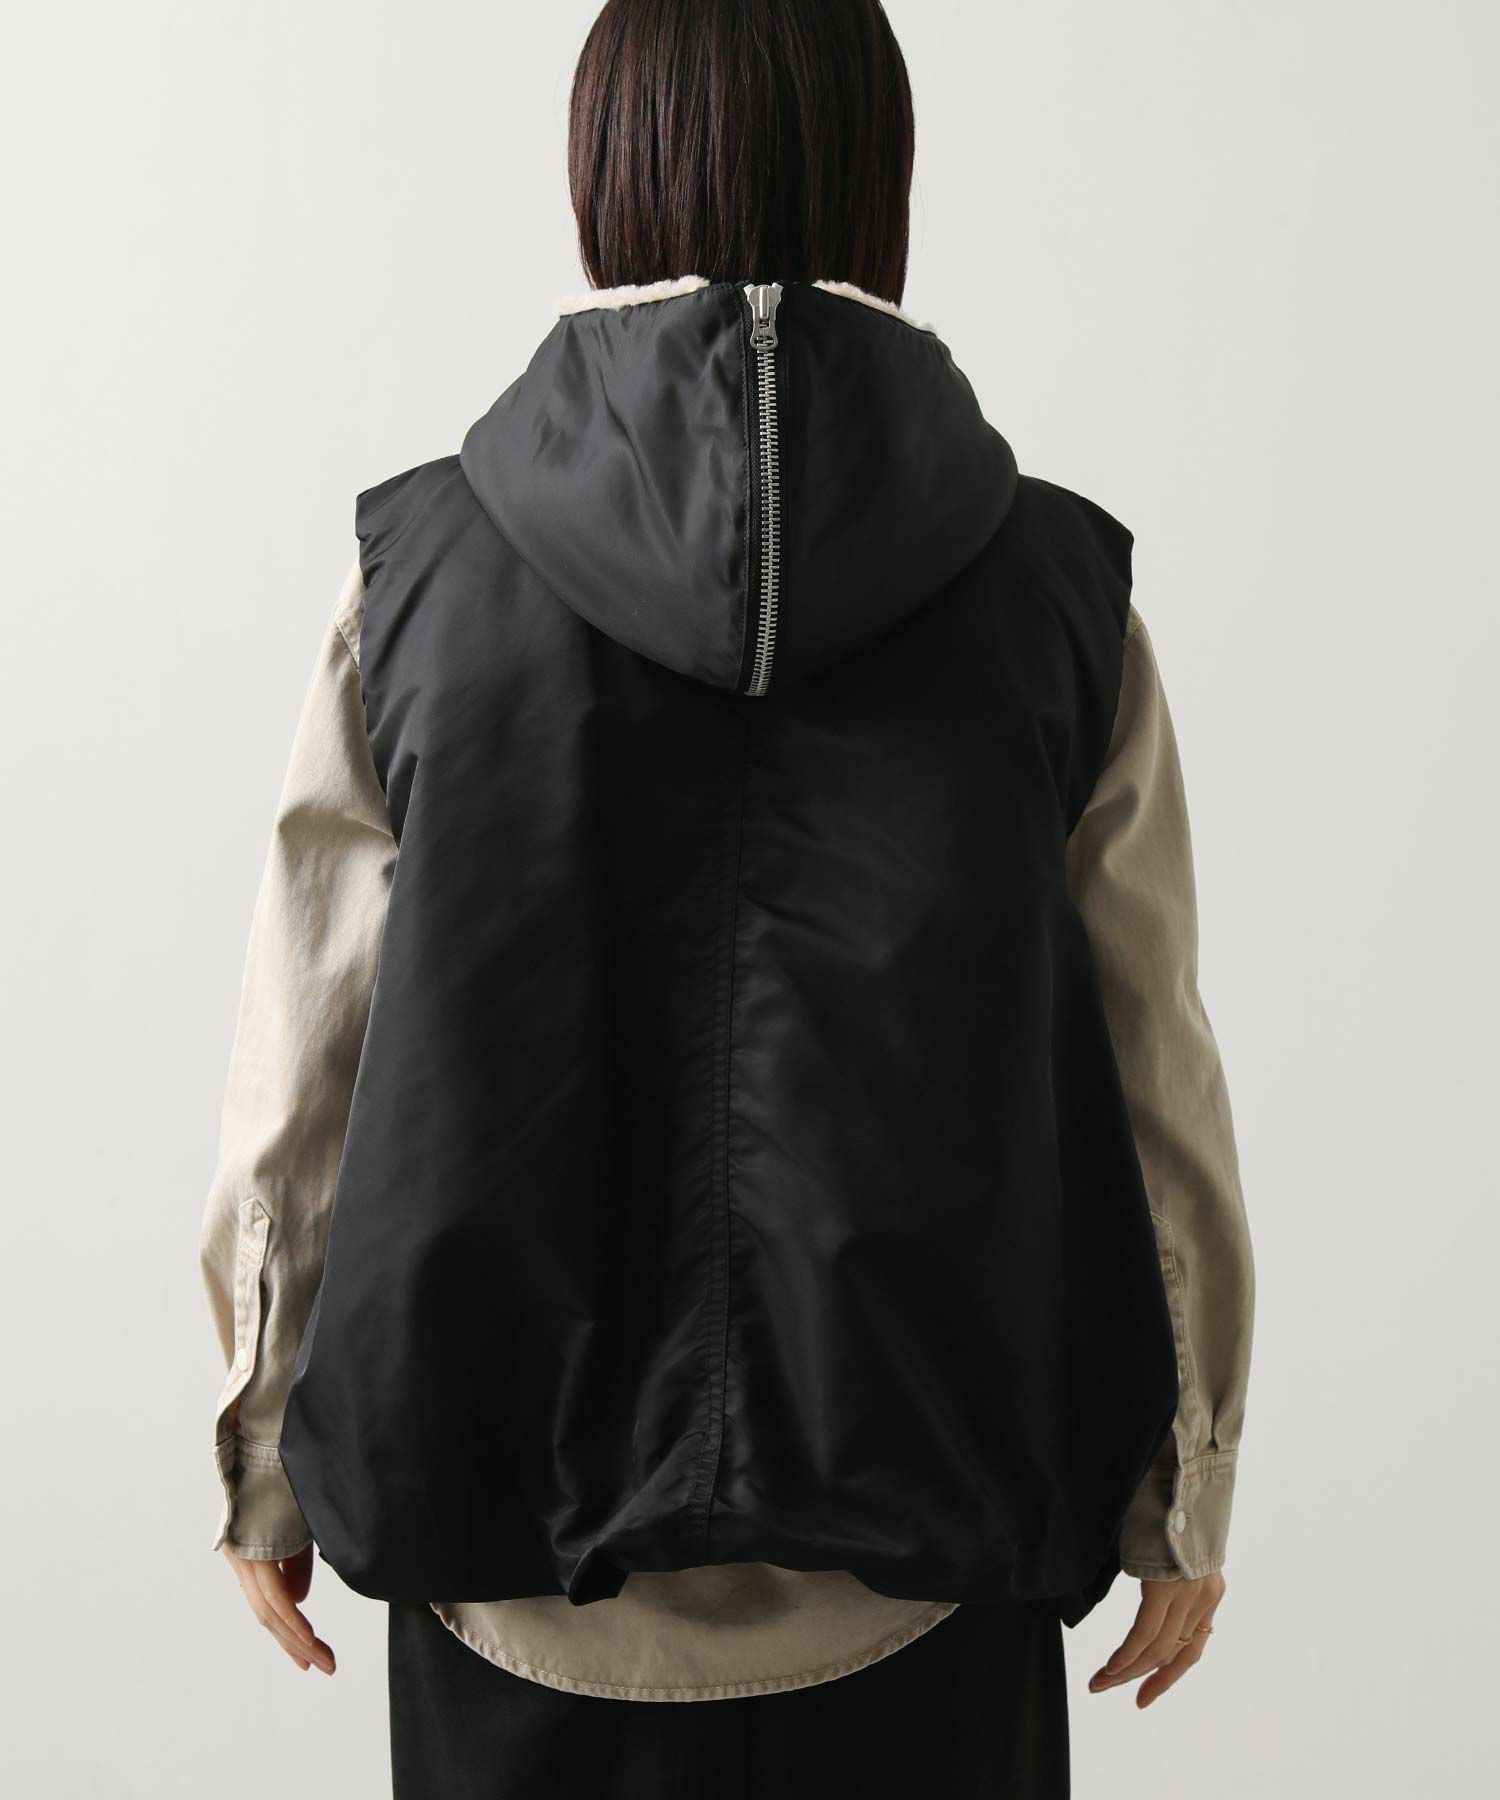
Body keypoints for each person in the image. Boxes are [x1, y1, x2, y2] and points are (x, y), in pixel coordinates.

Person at [200, 2, 1254, 1794]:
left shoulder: (418, 585)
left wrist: (261, 1446)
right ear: (881, 179)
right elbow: (1154, 1070)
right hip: (933, 1561)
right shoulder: (1057, 598)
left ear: (603, 176)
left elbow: (309, 1058)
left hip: (505, 1576)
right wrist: (1187, 1474)